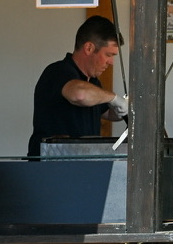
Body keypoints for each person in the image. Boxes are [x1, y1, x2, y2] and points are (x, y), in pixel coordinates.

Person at [28, 15, 129, 157]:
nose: (111, 62)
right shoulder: (58, 72)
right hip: (50, 167)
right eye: (108, 54)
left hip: (82, 165)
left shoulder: (93, 82)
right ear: (88, 48)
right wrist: (113, 97)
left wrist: (127, 106)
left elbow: (109, 112)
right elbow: (80, 95)